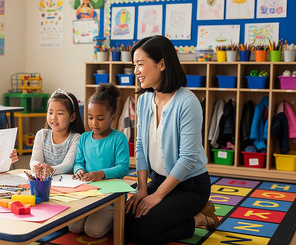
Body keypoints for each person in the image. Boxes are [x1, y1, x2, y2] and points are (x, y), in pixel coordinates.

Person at [124, 35, 218, 244]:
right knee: (122, 222)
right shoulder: (144, 100)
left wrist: (157, 196)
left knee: (144, 232)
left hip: (190, 186)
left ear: (162, 64)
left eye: (140, 64)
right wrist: (142, 189)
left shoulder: (187, 102)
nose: (136, 71)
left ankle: (200, 217)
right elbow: (140, 146)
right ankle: (184, 211)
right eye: (134, 65)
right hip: (157, 180)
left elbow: (188, 158)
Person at [69, 83, 130, 238]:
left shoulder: (119, 138)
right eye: (90, 117)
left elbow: (123, 167)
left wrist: (101, 174)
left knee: (93, 231)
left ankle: (120, 217)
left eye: (100, 118)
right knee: (74, 227)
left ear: (113, 117)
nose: (94, 123)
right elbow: (78, 161)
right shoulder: (84, 138)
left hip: (110, 197)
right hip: (88, 194)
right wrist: (79, 170)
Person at [30, 89, 85, 177]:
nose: (53, 117)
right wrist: (36, 166)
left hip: (66, 182)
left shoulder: (76, 138)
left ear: (72, 117)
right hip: (46, 181)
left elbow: (68, 165)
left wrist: (52, 170)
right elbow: (35, 159)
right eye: (50, 112)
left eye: (59, 113)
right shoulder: (41, 134)